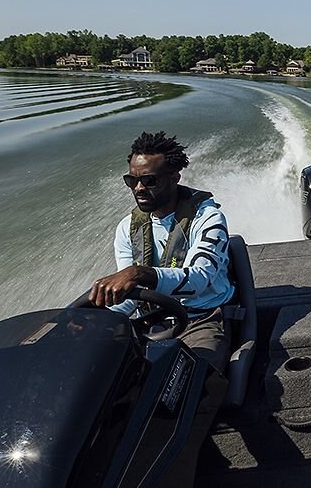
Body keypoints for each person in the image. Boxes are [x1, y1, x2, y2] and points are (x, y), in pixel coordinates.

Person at [90, 130, 233, 373]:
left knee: (192, 382)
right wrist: (95, 320)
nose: (138, 188)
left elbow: (198, 279)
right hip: (149, 323)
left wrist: (139, 273)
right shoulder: (127, 228)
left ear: (174, 177)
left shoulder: (209, 219)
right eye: (131, 181)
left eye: (149, 180)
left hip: (201, 320)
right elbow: (130, 298)